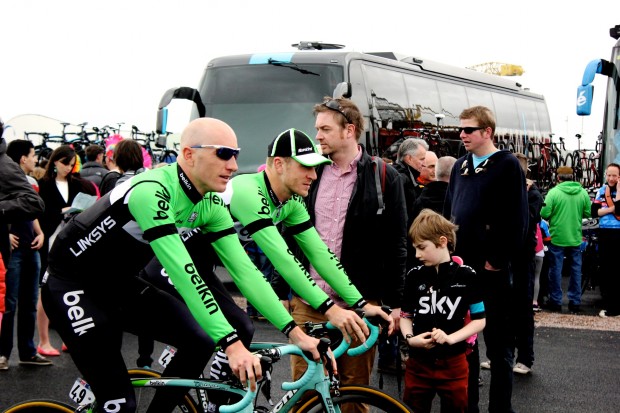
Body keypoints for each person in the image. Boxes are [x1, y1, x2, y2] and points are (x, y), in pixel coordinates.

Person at [40, 118, 326, 413]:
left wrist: (295, 333)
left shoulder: (210, 204)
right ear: (189, 154)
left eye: (236, 155)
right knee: (119, 403)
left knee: (200, 340)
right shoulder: (152, 191)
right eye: (223, 154)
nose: (233, 165)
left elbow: (246, 273)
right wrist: (231, 344)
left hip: (118, 284)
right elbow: (185, 274)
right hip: (72, 286)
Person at [289, 97, 407, 413]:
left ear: (349, 130)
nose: (318, 136)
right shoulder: (309, 171)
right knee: (305, 392)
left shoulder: (384, 175)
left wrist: (396, 303)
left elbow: (397, 243)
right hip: (309, 301)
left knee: (353, 394)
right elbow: (288, 233)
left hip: (360, 304)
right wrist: (281, 288)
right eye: (317, 129)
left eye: (325, 129)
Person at [222, 128, 393, 339]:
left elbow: (320, 254)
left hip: (206, 265)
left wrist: (360, 304)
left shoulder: (292, 202)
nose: (313, 175)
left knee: (240, 332)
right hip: (187, 262)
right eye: (305, 167)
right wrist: (331, 310)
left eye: (314, 167)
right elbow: (284, 260)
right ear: (279, 164)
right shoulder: (248, 191)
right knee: (231, 333)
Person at [444, 106, 528, 413]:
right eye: (461, 129)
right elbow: (448, 211)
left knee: (499, 345)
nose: (462, 135)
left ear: (487, 131)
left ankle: (500, 409)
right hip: (461, 268)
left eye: (468, 129)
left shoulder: (506, 164)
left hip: (491, 272)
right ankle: (469, 408)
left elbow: (518, 218)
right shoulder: (460, 165)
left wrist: (497, 260)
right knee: (464, 344)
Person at [400, 209, 485, 413]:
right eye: (415, 249)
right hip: (418, 363)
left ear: (442, 241)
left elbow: (479, 320)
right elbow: (405, 316)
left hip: (454, 362)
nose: (417, 255)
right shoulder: (414, 276)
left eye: (422, 247)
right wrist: (410, 339)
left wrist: (450, 338)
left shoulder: (467, 275)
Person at [36, 145, 100, 356]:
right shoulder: (43, 185)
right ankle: (44, 340)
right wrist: (60, 212)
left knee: (67, 291)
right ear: (55, 161)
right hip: (50, 237)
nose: (68, 168)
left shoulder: (78, 184)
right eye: (65, 163)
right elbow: (40, 212)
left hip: (71, 239)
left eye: (72, 165)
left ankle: (67, 338)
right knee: (45, 289)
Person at [0, 139, 49, 370]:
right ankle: (3, 354)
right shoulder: (6, 175)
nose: (35, 159)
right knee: (8, 304)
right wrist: (5, 235)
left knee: (29, 302)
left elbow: (31, 212)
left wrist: (40, 233)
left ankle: (28, 352)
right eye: (32, 155)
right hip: (13, 250)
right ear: (22, 158)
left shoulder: (28, 181)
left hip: (31, 247)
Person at [540, 165, 591, 313]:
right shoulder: (582, 192)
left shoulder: (553, 192)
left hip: (557, 236)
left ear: (558, 178)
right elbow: (587, 212)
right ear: (572, 177)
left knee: (556, 269)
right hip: (575, 236)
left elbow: (544, 213)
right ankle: (575, 302)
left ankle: (555, 301)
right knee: (576, 269)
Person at [591, 163, 620, 318]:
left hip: (618, 232)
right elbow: (594, 212)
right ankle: (609, 304)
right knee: (606, 269)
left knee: (616, 269)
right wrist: (611, 209)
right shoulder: (601, 191)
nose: (611, 178)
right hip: (605, 232)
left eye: (614, 175)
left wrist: (619, 191)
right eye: (609, 175)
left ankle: (615, 307)